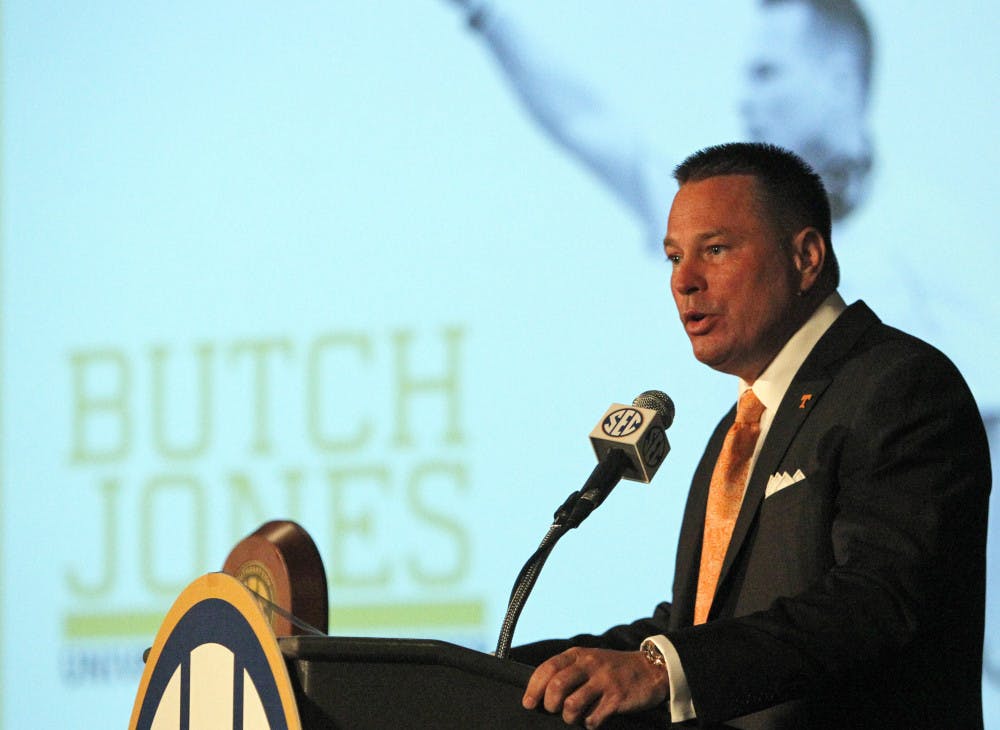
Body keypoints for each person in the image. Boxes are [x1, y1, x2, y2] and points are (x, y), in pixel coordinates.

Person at [511, 142, 991, 729]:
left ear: (806, 257)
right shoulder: (735, 431)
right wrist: (507, 669)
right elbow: (695, 627)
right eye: (673, 257)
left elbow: (877, 601)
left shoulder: (899, 385)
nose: (684, 281)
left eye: (714, 250)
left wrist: (664, 669)